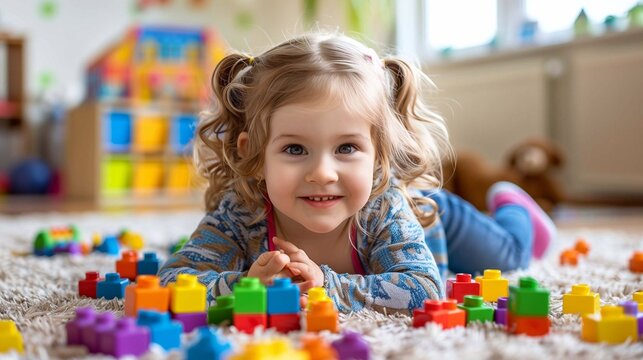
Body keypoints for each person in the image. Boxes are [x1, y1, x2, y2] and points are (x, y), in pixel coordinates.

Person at [158, 32, 555, 314]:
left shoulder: (384, 211)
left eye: (346, 148)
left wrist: (325, 287)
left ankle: (514, 204)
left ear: (379, 153)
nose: (323, 172)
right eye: (295, 149)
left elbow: (424, 288)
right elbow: (170, 282)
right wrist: (243, 287)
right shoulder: (240, 212)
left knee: (512, 255)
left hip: (429, 213)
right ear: (256, 155)